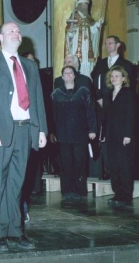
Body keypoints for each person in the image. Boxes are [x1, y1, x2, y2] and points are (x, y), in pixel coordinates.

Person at [0, 22, 47, 252]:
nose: (16, 33)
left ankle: (15, 231)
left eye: (18, 31)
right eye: (11, 31)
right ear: (0, 37)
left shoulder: (29, 66)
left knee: (17, 185)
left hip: (25, 130)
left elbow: (37, 100)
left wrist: (41, 129)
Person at [90, 36, 134, 180]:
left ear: (118, 45)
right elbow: (94, 81)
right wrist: (99, 98)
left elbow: (129, 88)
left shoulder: (126, 64)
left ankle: (119, 178)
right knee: (104, 140)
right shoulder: (101, 63)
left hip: (118, 108)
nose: (107, 45)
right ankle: (106, 171)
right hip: (103, 107)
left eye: (110, 43)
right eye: (106, 43)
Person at [51, 66, 96, 201]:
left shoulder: (83, 92)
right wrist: (52, 132)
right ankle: (67, 190)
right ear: (62, 76)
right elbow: (53, 115)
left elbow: (90, 112)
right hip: (63, 134)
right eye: (66, 73)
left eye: (71, 73)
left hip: (80, 133)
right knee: (65, 163)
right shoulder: (56, 94)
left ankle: (80, 190)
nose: (68, 75)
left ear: (75, 75)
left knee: (79, 161)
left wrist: (92, 129)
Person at [103, 66, 135, 207]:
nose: (113, 78)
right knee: (113, 165)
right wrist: (103, 134)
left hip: (123, 135)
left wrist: (128, 134)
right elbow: (105, 117)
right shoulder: (108, 94)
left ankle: (127, 196)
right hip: (111, 135)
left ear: (123, 78)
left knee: (124, 165)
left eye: (117, 76)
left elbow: (130, 116)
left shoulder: (129, 94)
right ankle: (118, 193)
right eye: (112, 76)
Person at [64, 0, 103, 76]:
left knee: (88, 69)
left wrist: (97, 26)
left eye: (86, 4)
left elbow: (93, 33)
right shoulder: (74, 17)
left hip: (87, 50)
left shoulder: (89, 19)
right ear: (79, 5)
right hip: (76, 48)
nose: (85, 6)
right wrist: (70, 32)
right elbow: (68, 35)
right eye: (83, 4)